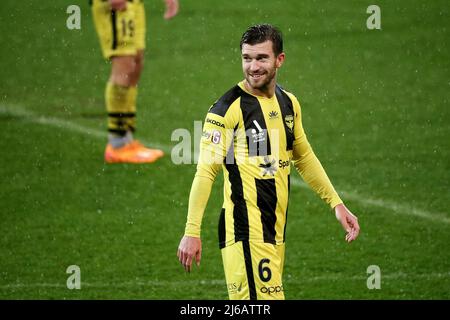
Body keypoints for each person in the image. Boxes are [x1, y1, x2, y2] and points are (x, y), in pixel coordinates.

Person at [177, 24, 360, 300]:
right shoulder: (226, 110)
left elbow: (304, 156)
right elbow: (206, 171)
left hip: (275, 230)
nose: (253, 67)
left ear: (279, 60)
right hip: (246, 232)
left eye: (261, 58)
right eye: (247, 58)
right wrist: (192, 231)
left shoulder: (288, 103)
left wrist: (336, 203)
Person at [90, 0, 179, 163]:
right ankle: (117, 144)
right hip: (115, 7)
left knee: (135, 64)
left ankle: (128, 141)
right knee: (124, 66)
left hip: (134, 4)